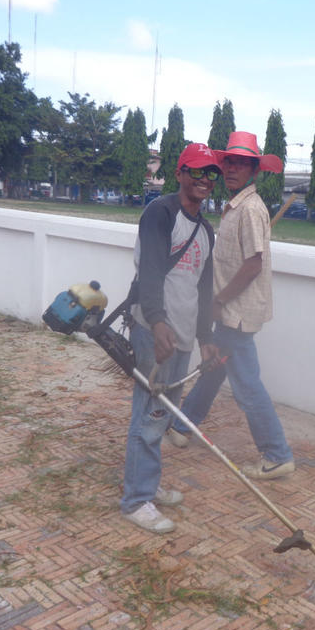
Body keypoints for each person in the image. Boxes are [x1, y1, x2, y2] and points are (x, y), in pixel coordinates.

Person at [166, 131, 295, 480]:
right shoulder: (237, 207)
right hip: (228, 312)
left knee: (247, 386)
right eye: (230, 162)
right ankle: (183, 425)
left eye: (243, 163)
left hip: (236, 314)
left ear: (254, 170)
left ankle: (277, 453)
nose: (234, 168)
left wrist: (218, 300)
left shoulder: (251, 209)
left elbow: (253, 264)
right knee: (213, 368)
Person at [121, 143, 221, 534]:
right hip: (153, 330)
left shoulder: (205, 229)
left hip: (180, 332)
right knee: (148, 414)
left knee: (163, 416)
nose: (203, 180)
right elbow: (150, 273)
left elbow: (203, 286)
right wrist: (158, 322)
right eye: (195, 172)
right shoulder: (160, 213)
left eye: (210, 174)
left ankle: (145, 483)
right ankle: (135, 500)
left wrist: (204, 336)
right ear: (179, 174)